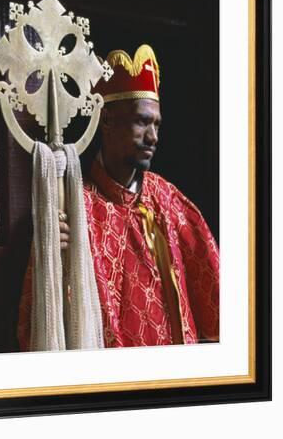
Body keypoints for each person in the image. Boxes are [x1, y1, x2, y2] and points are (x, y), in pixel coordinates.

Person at [18, 44, 219, 349]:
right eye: (141, 121)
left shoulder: (170, 201)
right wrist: (52, 258)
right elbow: (44, 319)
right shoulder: (74, 207)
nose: (153, 136)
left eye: (156, 124)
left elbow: (219, 304)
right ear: (108, 120)